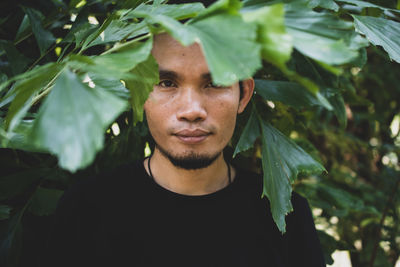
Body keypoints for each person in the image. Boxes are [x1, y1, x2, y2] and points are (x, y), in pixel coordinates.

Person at [42, 33, 326, 267]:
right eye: (167, 83)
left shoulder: (286, 217)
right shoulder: (85, 210)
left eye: (214, 83)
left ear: (244, 94)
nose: (192, 111)